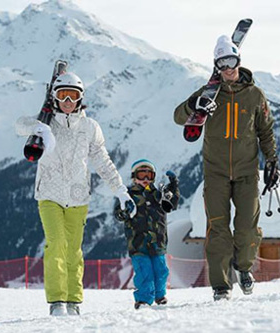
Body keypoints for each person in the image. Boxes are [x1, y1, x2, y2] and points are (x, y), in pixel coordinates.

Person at [15, 72, 135, 316]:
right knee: (56, 244)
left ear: (81, 99)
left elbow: (102, 161)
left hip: (78, 196)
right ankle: (57, 301)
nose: (68, 100)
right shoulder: (46, 122)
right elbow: (19, 125)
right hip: (49, 194)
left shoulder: (90, 127)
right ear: (55, 97)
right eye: (62, 95)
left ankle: (73, 300)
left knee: (74, 250)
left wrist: (120, 190)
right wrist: (38, 126)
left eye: (73, 95)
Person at [174, 35, 278, 301]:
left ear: (239, 61)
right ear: (217, 66)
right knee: (218, 229)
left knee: (247, 228)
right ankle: (221, 286)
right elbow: (178, 116)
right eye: (222, 63)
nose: (228, 67)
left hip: (246, 173)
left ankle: (243, 268)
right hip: (216, 173)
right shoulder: (209, 93)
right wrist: (194, 107)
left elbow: (266, 131)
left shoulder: (255, 95)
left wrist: (272, 162)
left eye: (231, 61)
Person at [114, 159, 180, 309]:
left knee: (161, 270)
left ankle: (159, 295)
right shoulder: (128, 195)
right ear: (134, 176)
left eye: (149, 175)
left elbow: (172, 203)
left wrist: (174, 186)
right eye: (141, 174)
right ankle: (143, 299)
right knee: (144, 272)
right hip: (138, 243)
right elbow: (118, 213)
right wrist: (124, 212)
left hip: (158, 242)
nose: (145, 179)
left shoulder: (159, 195)